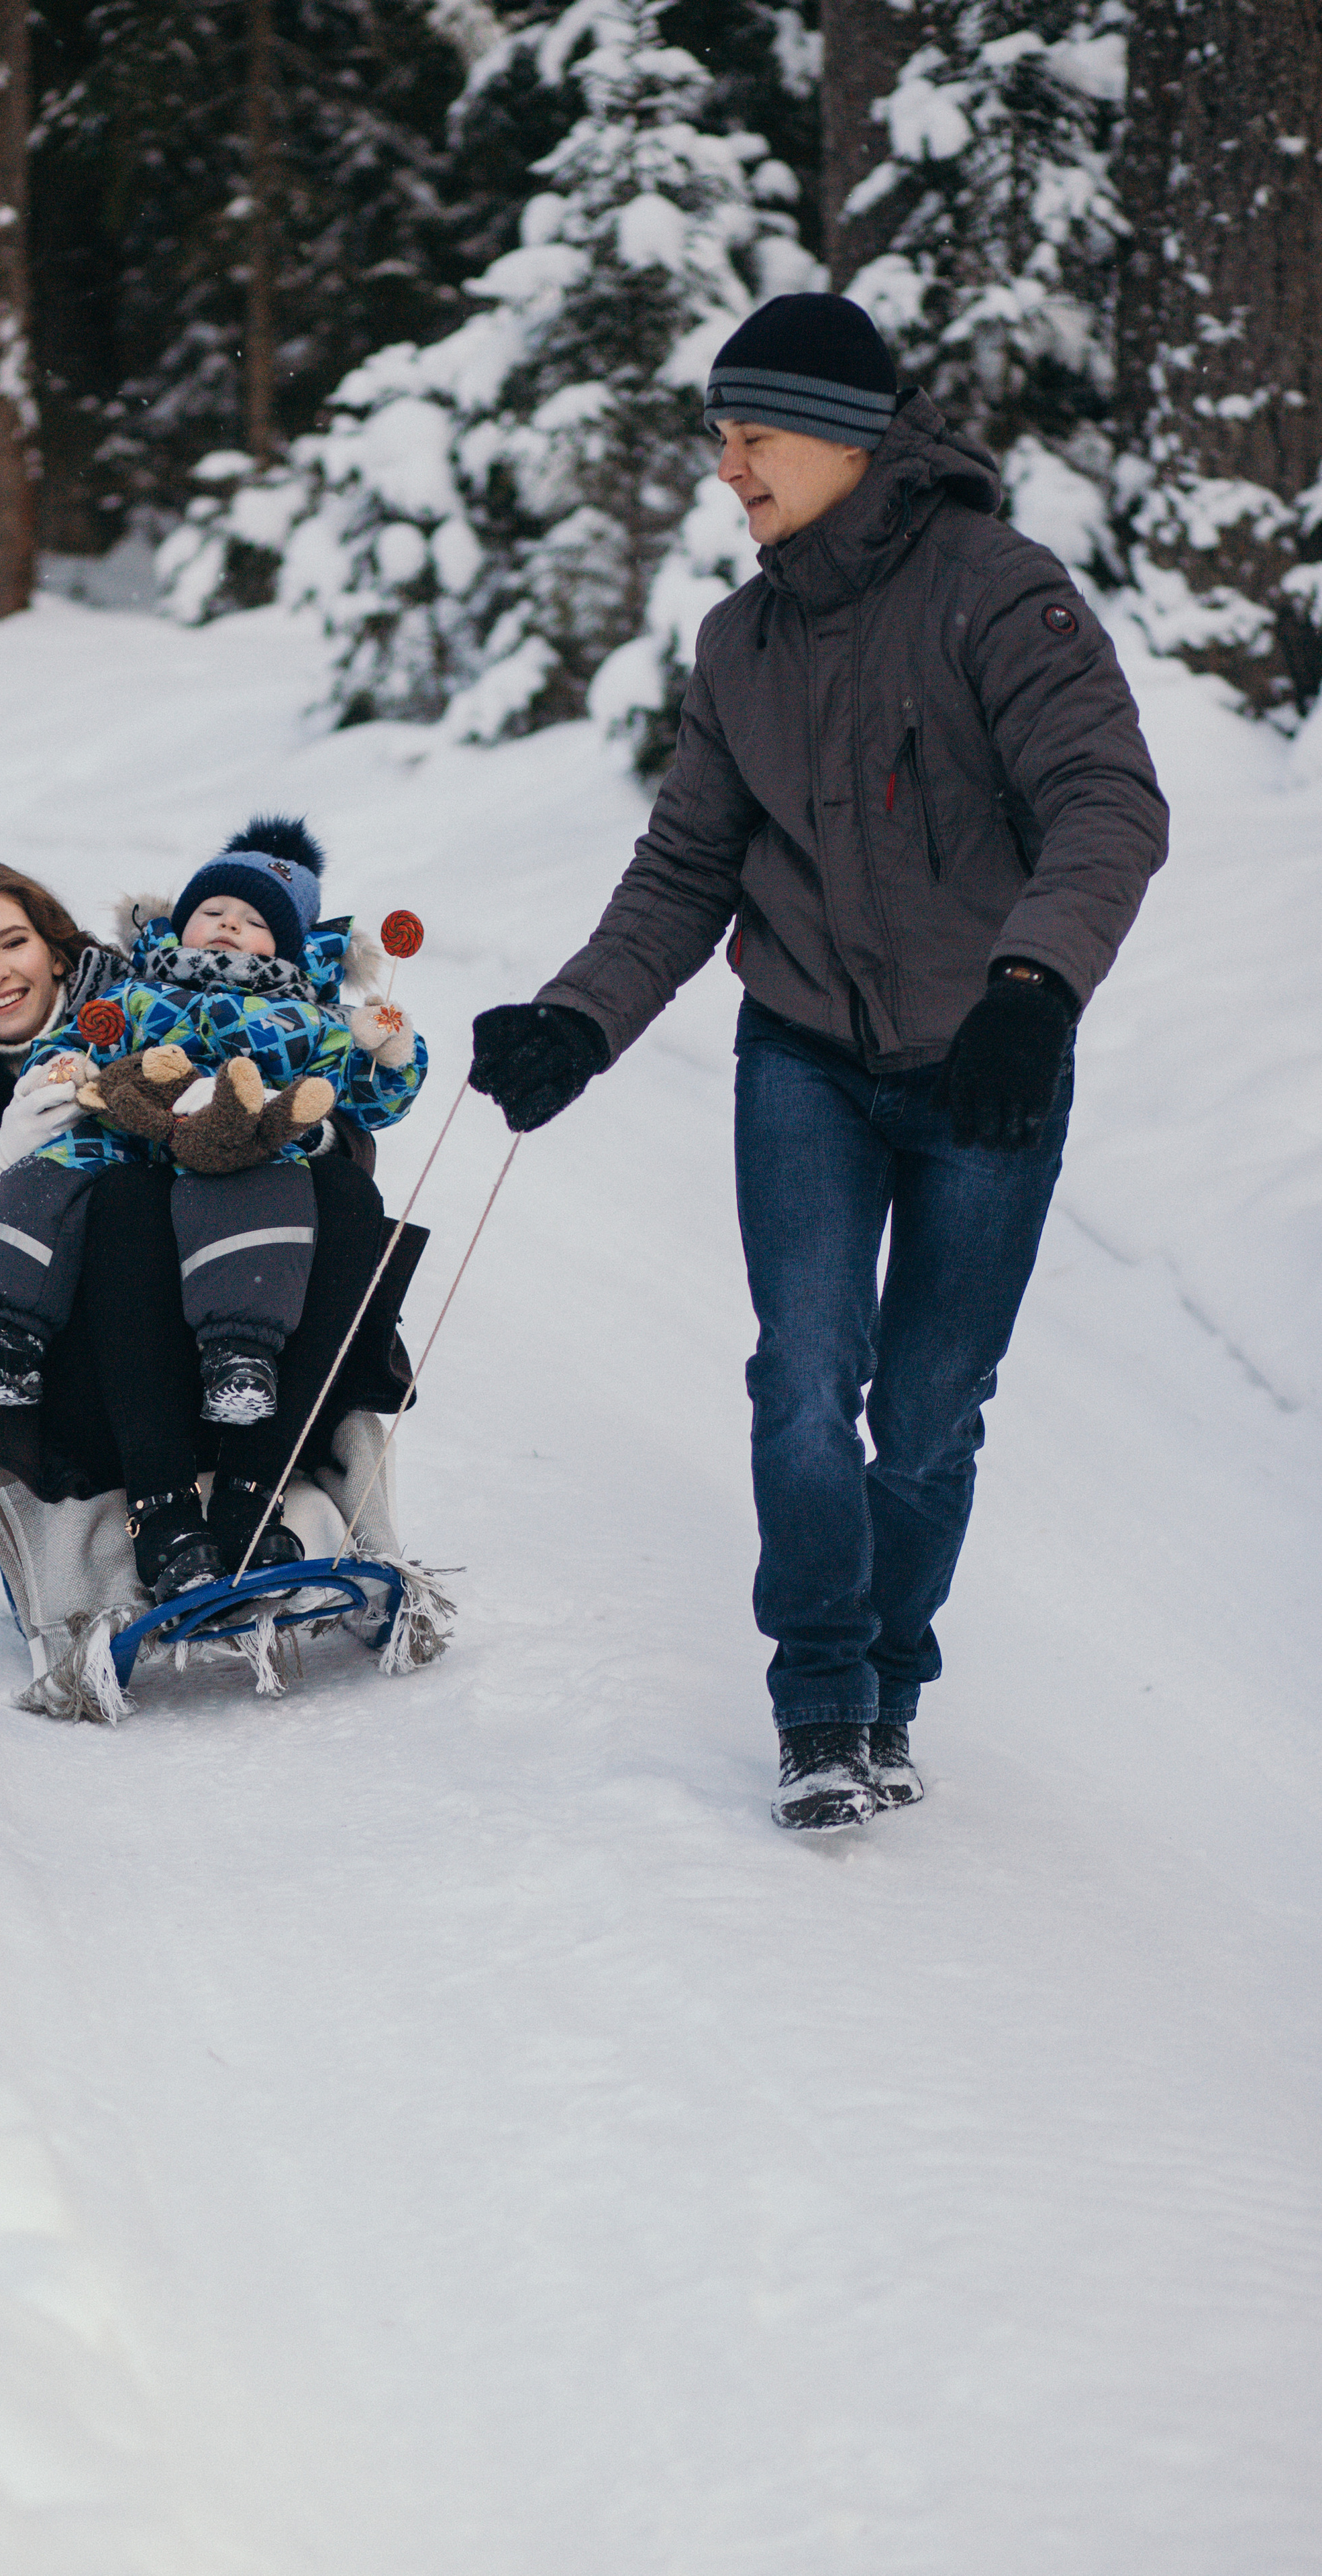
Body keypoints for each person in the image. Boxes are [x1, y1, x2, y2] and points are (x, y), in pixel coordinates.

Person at [468, 292, 1168, 1834]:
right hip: (801, 1057)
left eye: (751, 437)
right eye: (718, 438)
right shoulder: (742, 642)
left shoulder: (998, 593)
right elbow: (682, 871)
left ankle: (889, 1679)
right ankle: (821, 1702)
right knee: (801, 1376)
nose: (725, 468)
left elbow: (1105, 800)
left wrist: (1030, 986)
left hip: (984, 1059)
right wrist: (576, 1018)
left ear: (847, 440)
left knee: (925, 1414)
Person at [0, 855, 423, 1621]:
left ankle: (257, 1493)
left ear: (55, 953)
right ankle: (162, 1516)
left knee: (343, 1193)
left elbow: (329, 1103)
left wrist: (290, 1132)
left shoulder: (163, 998)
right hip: (89, 1392)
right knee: (125, 1199)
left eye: (12, 943)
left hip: (237, 1352)